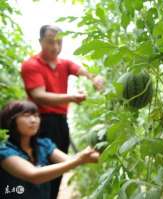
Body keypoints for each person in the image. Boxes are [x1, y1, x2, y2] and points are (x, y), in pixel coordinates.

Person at [20, 24, 104, 198]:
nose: (56, 47)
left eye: (59, 42)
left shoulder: (64, 64)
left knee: (57, 172)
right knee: (41, 169)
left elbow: (81, 70)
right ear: (40, 41)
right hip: (40, 123)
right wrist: (71, 97)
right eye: (50, 42)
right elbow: (39, 95)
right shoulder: (31, 65)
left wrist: (94, 78)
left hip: (60, 122)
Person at [0, 100, 99, 199]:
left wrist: (100, 154)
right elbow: (34, 176)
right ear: (10, 120)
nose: (33, 120)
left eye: (36, 115)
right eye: (26, 115)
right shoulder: (3, 149)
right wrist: (79, 160)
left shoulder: (43, 145)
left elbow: (69, 160)